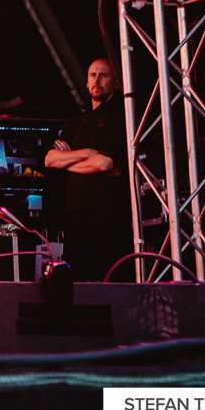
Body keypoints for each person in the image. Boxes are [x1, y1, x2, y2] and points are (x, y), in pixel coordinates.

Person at [44, 58, 131, 281]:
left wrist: (69, 162)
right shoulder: (77, 121)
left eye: (103, 75)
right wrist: (88, 153)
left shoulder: (120, 116)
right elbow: (50, 160)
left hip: (108, 213)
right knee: (77, 280)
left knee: (111, 280)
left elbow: (104, 163)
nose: (96, 80)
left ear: (117, 83)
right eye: (92, 75)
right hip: (74, 213)